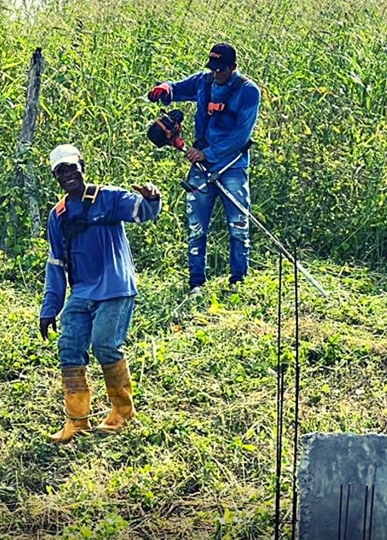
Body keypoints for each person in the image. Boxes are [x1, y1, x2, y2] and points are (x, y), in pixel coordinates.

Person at [39, 143, 162, 444]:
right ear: (56, 177)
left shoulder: (107, 197)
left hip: (115, 287)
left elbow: (142, 211)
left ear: (82, 166)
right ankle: (76, 422)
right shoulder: (58, 215)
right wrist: (49, 308)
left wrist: (151, 198)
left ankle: (122, 413)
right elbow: (57, 263)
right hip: (82, 292)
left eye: (72, 168)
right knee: (69, 348)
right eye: (60, 171)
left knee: (105, 345)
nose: (68, 174)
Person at [147, 42, 261, 293]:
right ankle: (196, 283)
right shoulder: (204, 81)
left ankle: (238, 282)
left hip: (232, 166)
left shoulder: (248, 92)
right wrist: (165, 89)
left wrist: (206, 153)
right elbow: (177, 89)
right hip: (201, 168)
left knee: (238, 226)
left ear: (233, 67)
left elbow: (241, 136)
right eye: (213, 68)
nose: (216, 73)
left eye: (221, 69)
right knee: (196, 227)